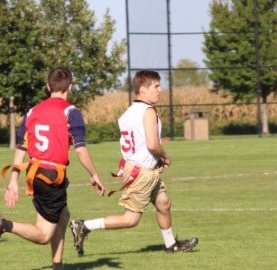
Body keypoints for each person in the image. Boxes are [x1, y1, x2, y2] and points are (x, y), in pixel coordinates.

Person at [0, 67, 106, 269]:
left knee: (63, 215)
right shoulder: (71, 111)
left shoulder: (32, 111)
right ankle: (4, 225)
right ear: (71, 87)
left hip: (34, 172)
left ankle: (58, 265)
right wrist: (94, 174)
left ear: (48, 86)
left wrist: (13, 181)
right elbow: (80, 150)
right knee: (43, 235)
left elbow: (21, 148)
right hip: (52, 177)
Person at [68, 70, 198, 256]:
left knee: (163, 203)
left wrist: (154, 160)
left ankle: (171, 244)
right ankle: (84, 226)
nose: (160, 90)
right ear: (143, 89)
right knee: (131, 219)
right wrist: (166, 157)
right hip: (142, 172)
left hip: (139, 168)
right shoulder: (148, 111)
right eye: (156, 86)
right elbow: (153, 144)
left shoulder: (128, 112)